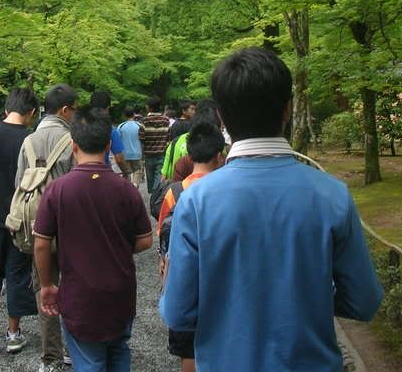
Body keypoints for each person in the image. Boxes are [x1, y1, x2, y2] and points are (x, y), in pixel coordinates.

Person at [160, 48, 384, 370]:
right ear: (288, 109)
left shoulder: (196, 201)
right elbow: (363, 301)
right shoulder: (331, 194)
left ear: (221, 117)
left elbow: (179, 311)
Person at [33, 106, 153, 372]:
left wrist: (46, 285)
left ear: (73, 145)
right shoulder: (126, 189)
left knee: (89, 360)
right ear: (109, 144)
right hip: (121, 293)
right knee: (119, 349)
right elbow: (145, 240)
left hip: (79, 295)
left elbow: (41, 243)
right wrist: (115, 246)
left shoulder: (58, 189)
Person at [15, 83, 78, 372]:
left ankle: (49, 359)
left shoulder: (29, 141)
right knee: (75, 287)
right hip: (69, 227)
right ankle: (72, 350)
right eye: (74, 109)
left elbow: (20, 186)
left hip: (37, 227)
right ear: (65, 109)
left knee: (46, 290)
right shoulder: (71, 139)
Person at [156, 122, 225, 372]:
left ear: (189, 155)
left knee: (187, 348)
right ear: (220, 156)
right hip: (218, 276)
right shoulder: (225, 190)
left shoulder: (174, 191)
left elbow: (162, 232)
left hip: (182, 274)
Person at [0, 88, 39, 353]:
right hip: (20, 219)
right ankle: (13, 333)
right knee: (17, 272)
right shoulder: (31, 140)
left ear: (6, 109)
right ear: (32, 113)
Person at [89, 91, 130, 177]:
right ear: (107, 108)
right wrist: (126, 173)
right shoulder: (110, 129)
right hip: (103, 173)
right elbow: (119, 159)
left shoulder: (80, 127)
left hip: (81, 174)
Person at [141, 96, 170, 194]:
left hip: (148, 154)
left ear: (150, 108)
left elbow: (141, 137)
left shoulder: (144, 121)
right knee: (158, 179)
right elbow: (168, 136)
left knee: (151, 180)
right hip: (161, 153)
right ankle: (156, 199)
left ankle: (154, 199)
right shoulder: (166, 120)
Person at [117, 107, 144, 187]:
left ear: (124, 115)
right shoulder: (139, 126)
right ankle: (135, 186)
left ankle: (127, 190)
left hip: (125, 154)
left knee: (126, 173)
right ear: (134, 114)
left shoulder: (121, 126)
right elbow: (143, 140)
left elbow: (118, 141)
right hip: (137, 154)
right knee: (137, 171)